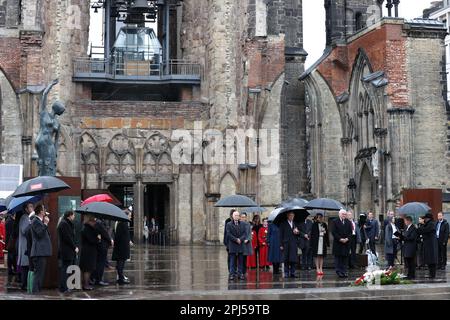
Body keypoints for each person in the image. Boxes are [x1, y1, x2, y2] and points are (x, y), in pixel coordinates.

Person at [30, 205, 52, 294]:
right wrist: (46, 223)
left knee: (40, 273)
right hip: (38, 251)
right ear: (41, 212)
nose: (45, 211)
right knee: (38, 273)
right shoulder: (35, 221)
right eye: (44, 209)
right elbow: (39, 234)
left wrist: (44, 223)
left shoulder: (39, 221)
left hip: (41, 251)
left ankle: (37, 291)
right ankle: (35, 292)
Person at [57, 211, 78, 293]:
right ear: (69, 215)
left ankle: (64, 287)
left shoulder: (65, 223)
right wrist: (74, 247)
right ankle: (63, 288)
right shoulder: (64, 224)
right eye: (73, 215)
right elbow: (68, 238)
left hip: (67, 250)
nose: (74, 217)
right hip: (67, 250)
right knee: (65, 269)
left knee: (65, 268)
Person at [225, 210, 247, 280]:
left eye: (238, 215)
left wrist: (240, 239)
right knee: (232, 260)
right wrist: (236, 239)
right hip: (233, 244)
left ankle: (240, 274)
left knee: (241, 260)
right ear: (232, 216)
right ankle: (232, 274)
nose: (236, 217)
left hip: (240, 244)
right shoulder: (229, 224)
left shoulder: (243, 224)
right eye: (235, 215)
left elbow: (244, 233)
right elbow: (228, 234)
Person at [80, 215, 99, 290]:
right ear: (90, 221)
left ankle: (85, 284)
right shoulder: (87, 229)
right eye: (93, 221)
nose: (94, 223)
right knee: (87, 269)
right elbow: (91, 240)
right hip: (89, 251)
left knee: (87, 269)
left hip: (88, 251)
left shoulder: (87, 228)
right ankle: (86, 285)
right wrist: (97, 238)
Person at [112, 210, 132, 285]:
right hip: (121, 248)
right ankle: (120, 278)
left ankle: (120, 277)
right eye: (129, 215)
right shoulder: (122, 223)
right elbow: (118, 236)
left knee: (121, 263)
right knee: (120, 263)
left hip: (122, 247)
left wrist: (128, 241)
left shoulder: (124, 223)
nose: (130, 216)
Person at [332, 209, 352, 278]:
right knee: (338, 258)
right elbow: (334, 232)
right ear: (339, 214)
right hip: (338, 243)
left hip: (346, 243)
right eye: (343, 214)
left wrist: (347, 239)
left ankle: (344, 271)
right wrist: (340, 239)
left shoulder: (348, 222)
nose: (344, 215)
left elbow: (350, 232)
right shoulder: (335, 221)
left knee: (345, 259)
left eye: (345, 214)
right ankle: (339, 271)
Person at [17, 202, 33, 291]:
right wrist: (30, 223)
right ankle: (24, 285)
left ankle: (25, 284)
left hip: (28, 245)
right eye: (30, 206)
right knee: (25, 266)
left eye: (32, 206)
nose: (32, 208)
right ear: (26, 209)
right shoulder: (24, 218)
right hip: (25, 246)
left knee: (27, 265)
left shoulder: (29, 217)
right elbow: (24, 231)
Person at [279, 212, 300, 278]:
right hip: (286, 244)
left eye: (293, 216)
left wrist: (297, 232)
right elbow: (280, 235)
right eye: (290, 216)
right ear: (287, 216)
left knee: (293, 259)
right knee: (286, 259)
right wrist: (281, 245)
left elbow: (299, 233)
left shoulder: (295, 224)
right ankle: (286, 273)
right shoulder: (283, 224)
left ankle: (293, 272)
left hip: (293, 243)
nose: (292, 217)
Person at [91, 219, 112, 286]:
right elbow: (105, 233)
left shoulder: (97, 222)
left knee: (99, 262)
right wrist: (110, 241)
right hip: (102, 246)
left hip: (100, 245)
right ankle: (98, 279)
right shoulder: (99, 223)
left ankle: (95, 278)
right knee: (101, 263)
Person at [417, 213, 438, 279]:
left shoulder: (431, 224)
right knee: (429, 261)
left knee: (432, 261)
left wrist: (419, 227)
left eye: (425, 218)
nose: (424, 219)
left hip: (431, 246)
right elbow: (421, 230)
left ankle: (432, 275)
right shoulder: (427, 224)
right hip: (428, 245)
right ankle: (431, 274)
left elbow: (424, 230)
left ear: (428, 218)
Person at [5, 212, 17, 281]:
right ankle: (11, 269)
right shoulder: (10, 221)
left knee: (10, 256)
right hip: (10, 241)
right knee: (11, 256)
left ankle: (10, 269)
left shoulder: (8, 220)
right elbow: (12, 232)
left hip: (9, 241)